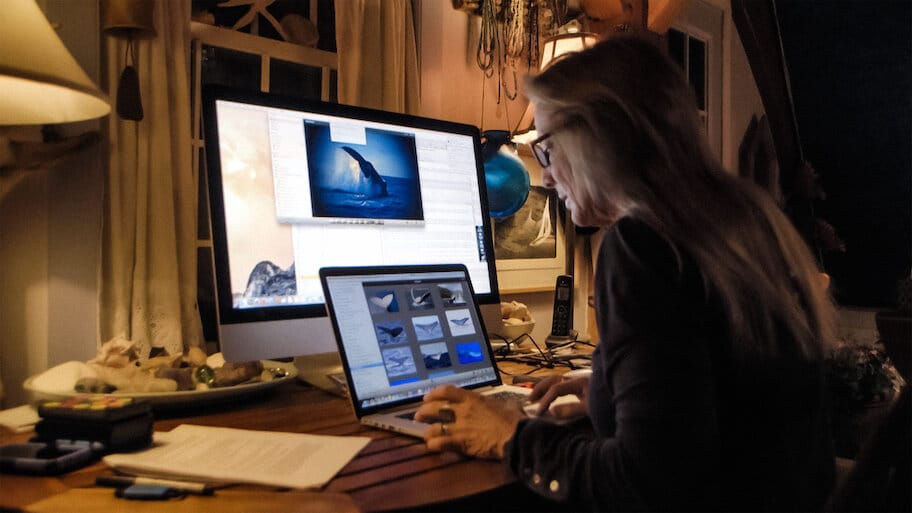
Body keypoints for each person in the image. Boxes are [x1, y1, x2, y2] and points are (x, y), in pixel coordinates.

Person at [415, 34, 837, 511]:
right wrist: (613, 389)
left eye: (547, 148)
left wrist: (511, 436)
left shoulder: (644, 245)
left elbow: (645, 485)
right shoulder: (745, 220)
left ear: (601, 134)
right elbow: (728, 397)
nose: (546, 175)